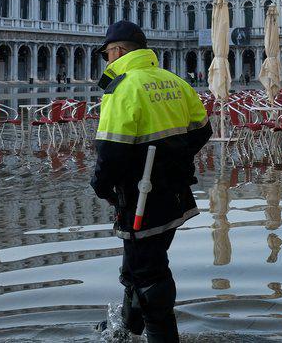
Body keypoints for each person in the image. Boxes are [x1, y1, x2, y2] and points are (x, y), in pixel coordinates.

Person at [91, 20, 211, 342]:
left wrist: (101, 187)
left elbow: (111, 153)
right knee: (137, 266)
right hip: (175, 195)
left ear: (117, 51)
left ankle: (162, 336)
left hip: (142, 198)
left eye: (107, 55)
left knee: (148, 275)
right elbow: (202, 129)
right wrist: (172, 161)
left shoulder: (123, 87)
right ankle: (126, 330)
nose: (107, 61)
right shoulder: (173, 81)